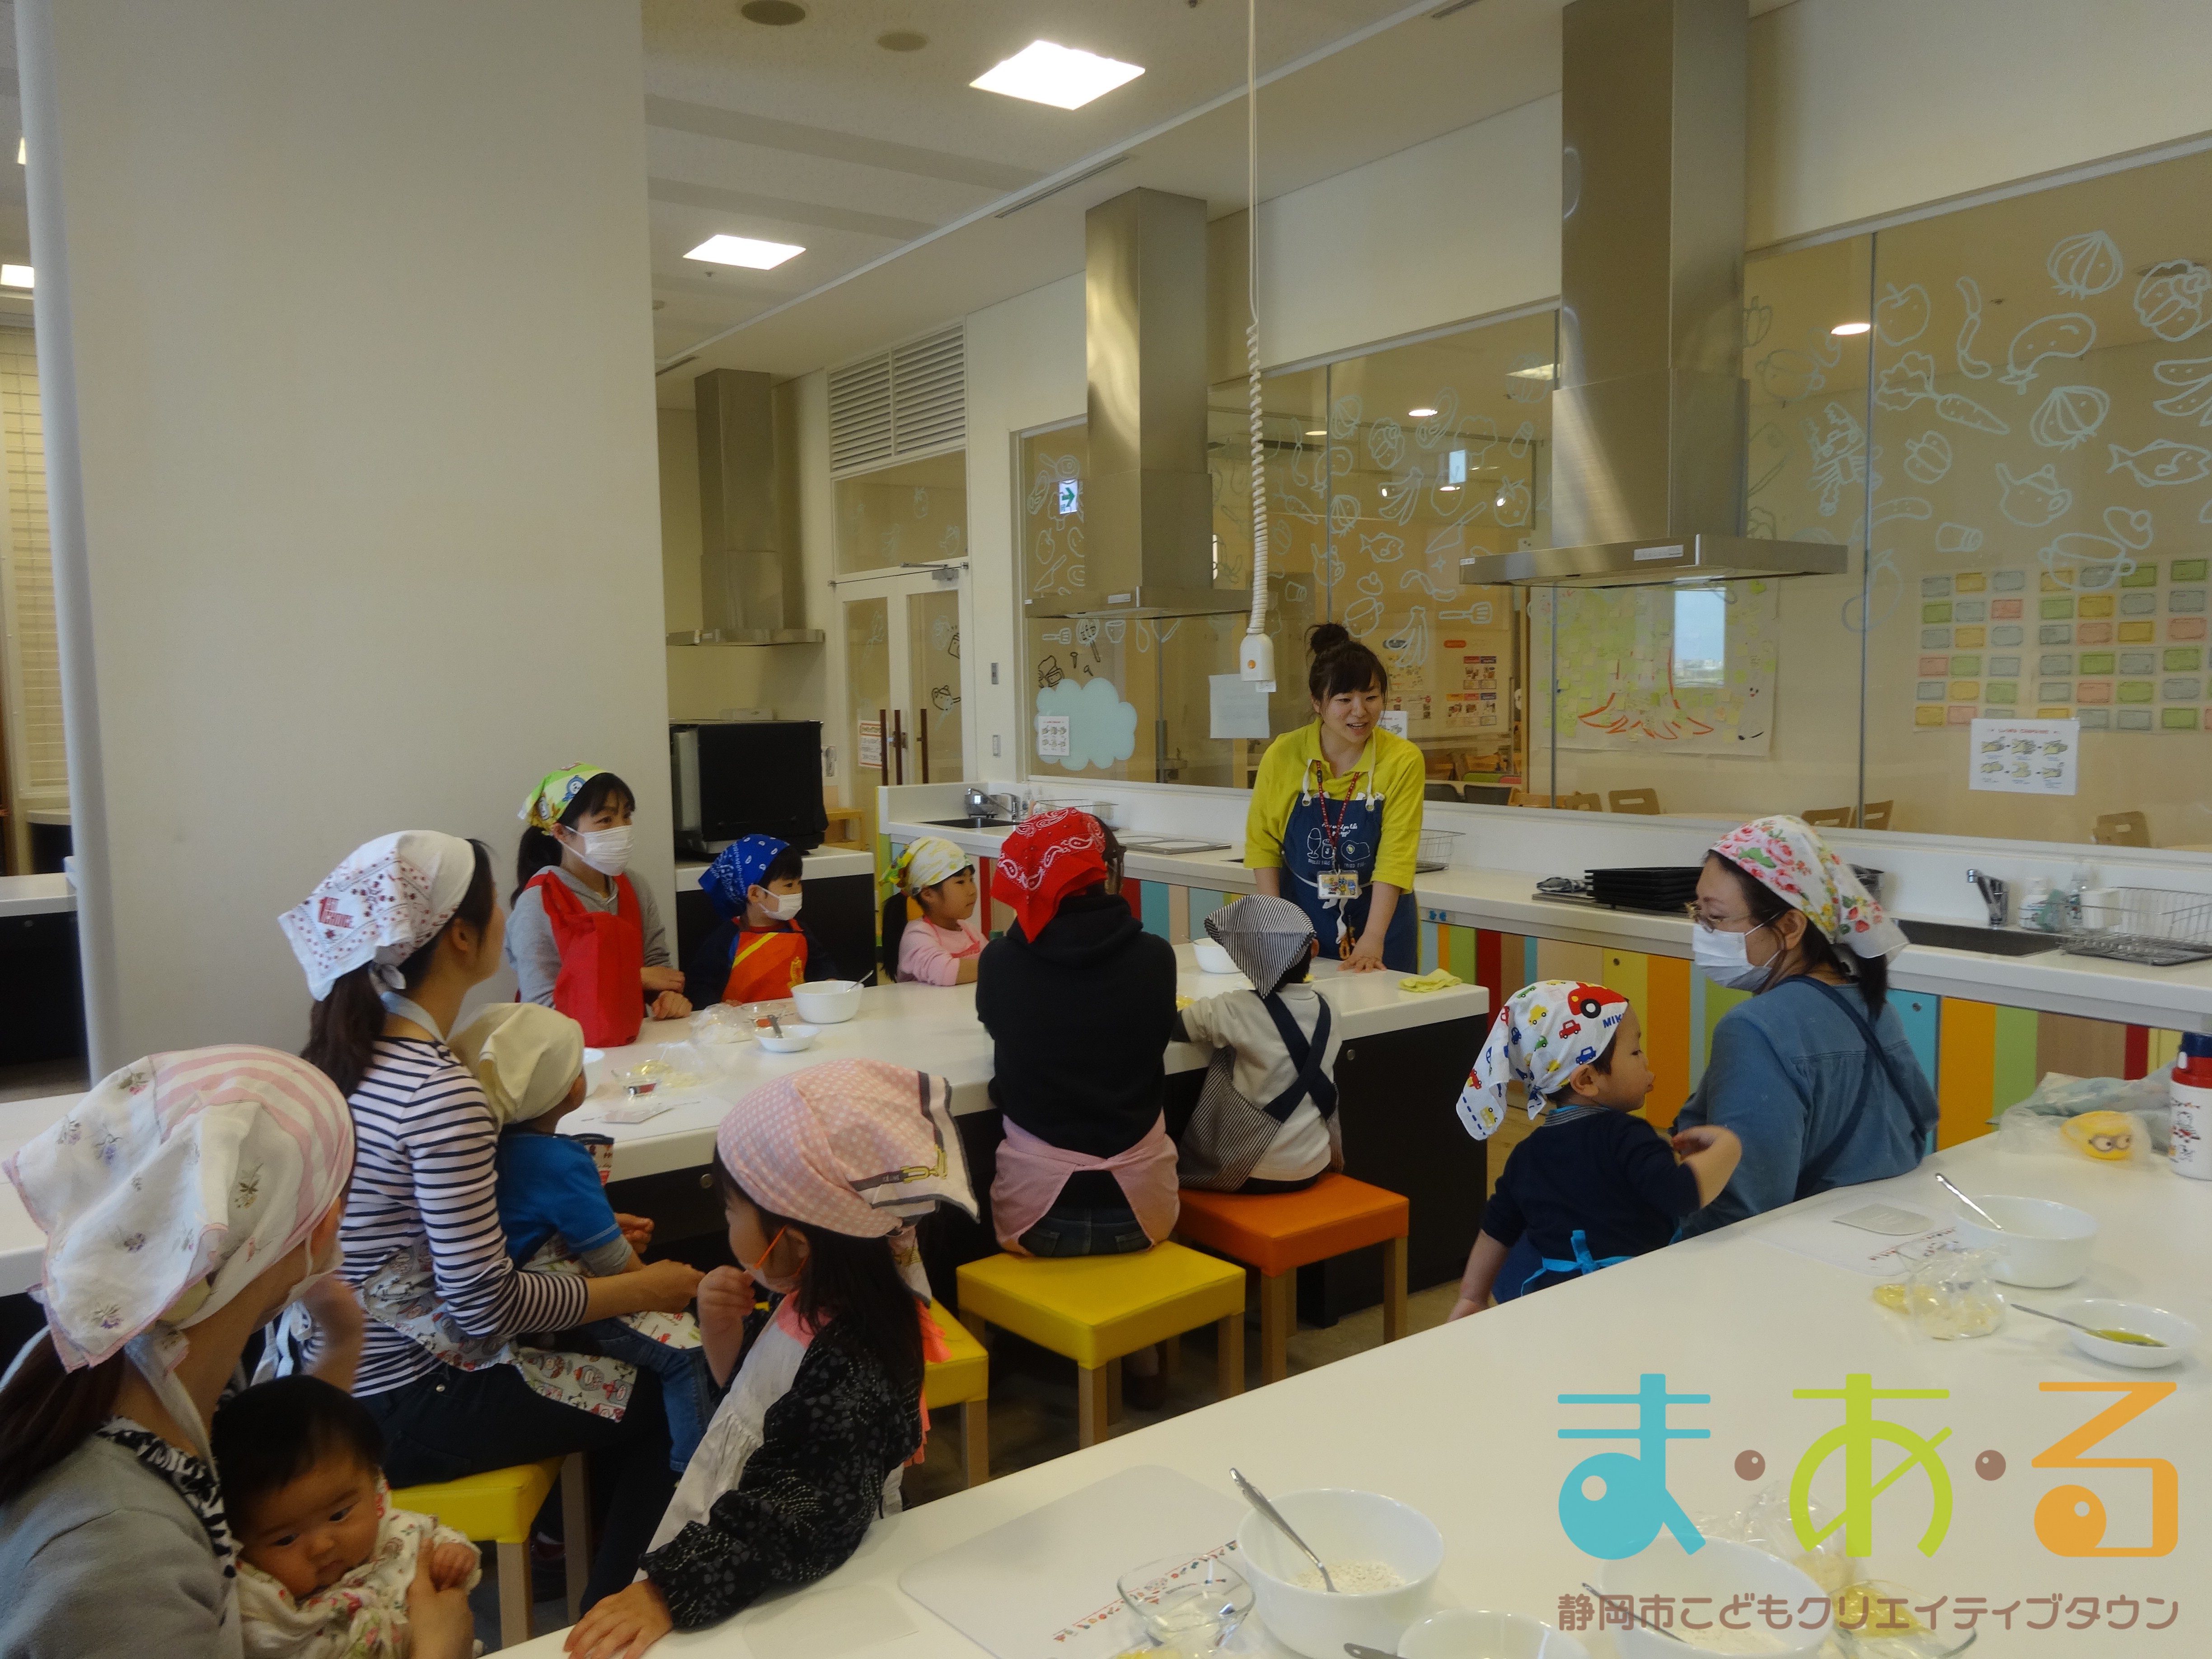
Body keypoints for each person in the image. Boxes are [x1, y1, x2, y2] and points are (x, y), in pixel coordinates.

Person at [283, 831, 705, 1609]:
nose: (507, 916)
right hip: (407, 1398)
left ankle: (563, 1555)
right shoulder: (440, 1091)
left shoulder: (343, 1057)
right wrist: (643, 1289)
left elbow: (433, 1245)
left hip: (329, 1377)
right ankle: (616, 1610)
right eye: (493, 906)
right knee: (665, 1390)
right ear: (462, 937)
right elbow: (484, 1306)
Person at [0, 1048, 479, 1659]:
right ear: (324, 1225)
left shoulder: (121, 1356)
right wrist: (438, 1650)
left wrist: (344, 1339)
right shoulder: (121, 1549)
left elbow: (274, 1466)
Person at [561, 1060, 975, 1659]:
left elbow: (801, 1509)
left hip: (797, 1584)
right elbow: (751, 1397)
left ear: (796, 1243)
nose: (725, 1226)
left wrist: (670, 1591)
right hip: (743, 1547)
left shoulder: (856, 1361)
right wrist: (721, 1327)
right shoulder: (810, 1298)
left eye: (732, 1212)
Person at [449, 1002, 719, 1469]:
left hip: (522, 1304)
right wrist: (656, 1284)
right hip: (563, 1302)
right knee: (689, 1352)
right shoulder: (561, 1160)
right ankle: (693, 1475)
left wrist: (604, 1229)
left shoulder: (486, 1147)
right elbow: (616, 1266)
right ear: (573, 1088)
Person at [1671, 815, 1937, 1235]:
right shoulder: (1876, 1011)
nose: (1704, 933)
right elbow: (1916, 1128)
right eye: (1698, 913)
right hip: (1875, 1236)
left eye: (1716, 918)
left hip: (1789, 1252)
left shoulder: (1755, 1029)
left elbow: (1742, 1205)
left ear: (1790, 927)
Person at [1446, 984, 1743, 1313]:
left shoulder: (1526, 1155)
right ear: (1586, 1080)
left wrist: (1472, 1296)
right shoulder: (1627, 1135)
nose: (1646, 1060)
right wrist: (1728, 1147)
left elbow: (1496, 1230)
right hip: (1638, 1302)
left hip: (1557, 1307)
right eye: (1635, 1052)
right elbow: (1683, 1194)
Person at [974, 809, 1180, 1257]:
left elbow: (999, 1028)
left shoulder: (1000, 962)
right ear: (1104, 870)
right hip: (1146, 1210)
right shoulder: (1156, 957)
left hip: (1034, 1215)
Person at [212, 1376, 481, 1659]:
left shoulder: (393, 1533)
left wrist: (453, 1556)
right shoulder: (262, 1609)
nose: (323, 1546)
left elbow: (435, 1538)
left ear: (375, 1485)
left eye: (339, 1515)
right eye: (286, 1539)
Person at [1244, 622, 1426, 973]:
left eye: (1371, 697)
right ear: (1317, 703)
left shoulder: (1402, 760)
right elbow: (1262, 845)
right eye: (1344, 700)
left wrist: (1374, 938)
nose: (1360, 711)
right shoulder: (1284, 754)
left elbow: (1396, 858)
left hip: (1381, 920)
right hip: (1302, 915)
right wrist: (1279, 925)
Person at [1171, 894, 1342, 1193]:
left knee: (1171, 1176)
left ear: (1243, 960)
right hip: (1314, 1164)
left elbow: (1177, 1027)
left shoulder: (1234, 1008)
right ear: (1314, 949)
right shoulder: (1329, 1008)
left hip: (1249, 1170)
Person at [510, 765, 690, 1046]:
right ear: (562, 832)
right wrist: (632, 979)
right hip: (568, 1054)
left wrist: (667, 998)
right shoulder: (538, 902)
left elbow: (658, 968)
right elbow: (541, 1009)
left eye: (626, 816)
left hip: (632, 1044)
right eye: (606, 820)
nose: (622, 829)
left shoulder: (635, 886)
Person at [685, 835, 844, 1007]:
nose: (798, 891)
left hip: (794, 1018)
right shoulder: (727, 939)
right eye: (789, 885)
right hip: (743, 1021)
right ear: (755, 894)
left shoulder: (800, 931)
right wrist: (718, 1006)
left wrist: (831, 982)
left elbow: (822, 966)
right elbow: (699, 985)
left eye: (799, 883)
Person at [882, 835, 985, 985]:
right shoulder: (917, 935)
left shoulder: (969, 930)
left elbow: (993, 958)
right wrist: (996, 966)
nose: (972, 891)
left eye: (971, 880)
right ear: (928, 894)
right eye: (960, 882)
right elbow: (946, 972)